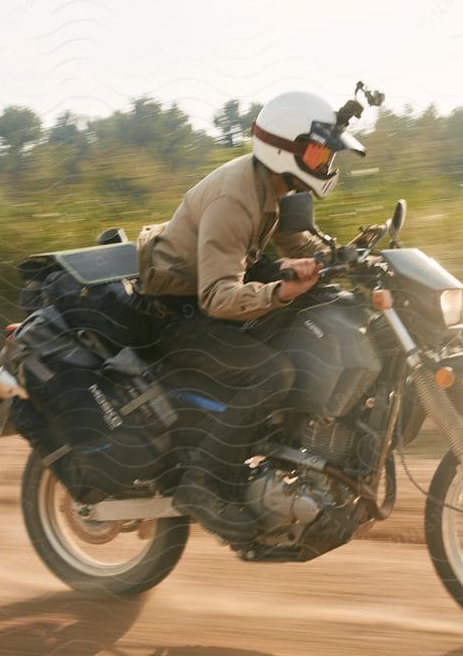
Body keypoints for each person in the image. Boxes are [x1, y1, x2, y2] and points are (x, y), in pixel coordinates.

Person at [134, 90, 353, 540]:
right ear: (282, 147)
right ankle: (203, 484)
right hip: (177, 314)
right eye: (316, 149)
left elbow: (301, 247)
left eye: (327, 152)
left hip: (208, 296)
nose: (324, 160)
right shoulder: (235, 197)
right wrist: (278, 289)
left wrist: (349, 258)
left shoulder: (279, 187)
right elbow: (216, 296)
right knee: (272, 374)